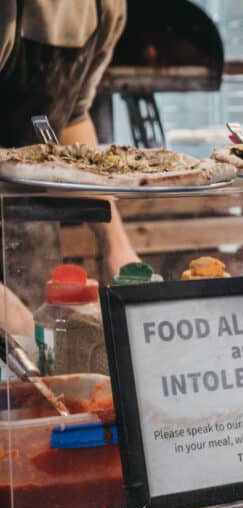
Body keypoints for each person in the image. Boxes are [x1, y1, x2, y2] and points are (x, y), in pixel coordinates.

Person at [0, 0, 138, 333]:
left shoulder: (107, 8)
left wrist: (117, 246)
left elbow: (72, 119)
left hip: (28, 229)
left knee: (40, 364)